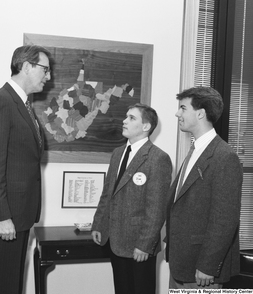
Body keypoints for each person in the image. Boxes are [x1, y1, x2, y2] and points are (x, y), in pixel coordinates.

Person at [0, 45, 52, 294]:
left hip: (19, 214)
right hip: (6, 215)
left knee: (12, 284)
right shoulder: (1, 101)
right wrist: (1, 216)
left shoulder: (22, 104)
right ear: (26, 66)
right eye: (45, 69)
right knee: (4, 285)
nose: (48, 76)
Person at [165, 86, 243, 289]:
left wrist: (209, 265)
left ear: (200, 113)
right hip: (181, 264)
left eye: (183, 108)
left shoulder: (224, 157)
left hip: (202, 271)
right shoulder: (196, 150)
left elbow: (225, 218)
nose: (177, 113)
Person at [92, 103, 172, 294]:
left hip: (139, 244)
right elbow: (108, 193)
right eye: (126, 116)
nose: (124, 121)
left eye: (131, 118)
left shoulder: (158, 158)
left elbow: (157, 208)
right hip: (115, 239)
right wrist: (98, 224)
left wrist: (144, 245)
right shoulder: (118, 153)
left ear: (146, 127)